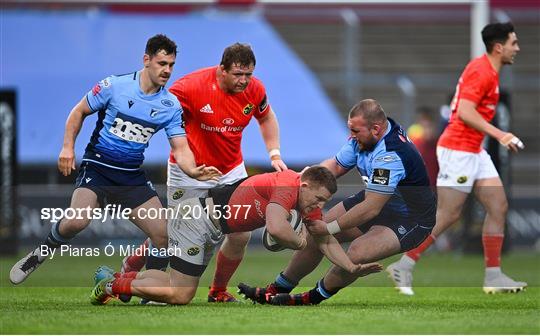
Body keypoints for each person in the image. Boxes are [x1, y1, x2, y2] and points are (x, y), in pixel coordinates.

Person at [9, 34, 220, 285]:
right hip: (98, 166)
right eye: (162, 63)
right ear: (146, 60)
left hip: (129, 175)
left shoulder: (170, 105)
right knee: (77, 221)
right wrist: (68, 148)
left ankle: (149, 289)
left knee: (163, 235)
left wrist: (192, 170)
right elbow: (79, 112)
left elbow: (181, 148)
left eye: (171, 65)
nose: (167, 70)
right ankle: (40, 254)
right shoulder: (114, 86)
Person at [120, 43, 288, 303]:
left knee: (240, 234)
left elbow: (266, 118)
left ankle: (217, 290)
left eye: (248, 75)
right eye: (238, 74)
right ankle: (138, 272)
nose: (244, 81)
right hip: (188, 172)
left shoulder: (255, 89)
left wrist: (274, 153)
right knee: (170, 234)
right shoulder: (190, 87)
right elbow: (157, 105)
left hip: (231, 171)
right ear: (222, 70)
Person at [238, 99, 436, 305]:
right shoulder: (366, 135)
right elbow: (334, 166)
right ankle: (276, 290)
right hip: (380, 199)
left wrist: (330, 227)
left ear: (376, 129)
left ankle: (308, 299)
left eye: (355, 131)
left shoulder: (390, 155)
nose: (351, 136)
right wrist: (304, 180)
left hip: (410, 218)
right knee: (316, 233)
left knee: (357, 251)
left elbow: (371, 208)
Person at [90, 166, 382, 305]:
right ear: (305, 185)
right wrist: (301, 241)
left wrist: (351, 267)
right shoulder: (287, 185)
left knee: (174, 285)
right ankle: (113, 284)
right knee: (180, 295)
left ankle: (113, 282)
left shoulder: (307, 201)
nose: (319, 207)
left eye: (323, 203)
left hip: (209, 225)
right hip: (197, 219)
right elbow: (278, 230)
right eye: (317, 199)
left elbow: (325, 239)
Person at [387, 22, 527, 295]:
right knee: (449, 214)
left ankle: (494, 276)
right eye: (514, 43)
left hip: (474, 150)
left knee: (498, 206)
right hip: (458, 150)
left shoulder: (488, 70)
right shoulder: (482, 71)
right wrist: (501, 135)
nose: (517, 48)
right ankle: (404, 264)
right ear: (499, 47)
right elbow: (464, 111)